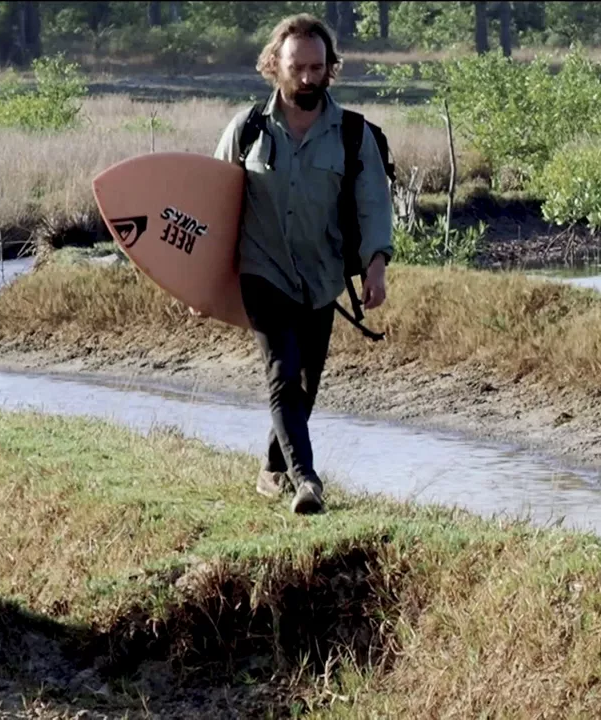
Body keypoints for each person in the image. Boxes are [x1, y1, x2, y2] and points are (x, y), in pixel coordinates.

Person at [209, 13, 394, 515]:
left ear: (331, 67)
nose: (308, 78)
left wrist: (376, 266)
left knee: (307, 383)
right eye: (298, 68)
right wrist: (200, 285)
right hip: (262, 269)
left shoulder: (352, 134)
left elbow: (373, 205)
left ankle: (273, 467)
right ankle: (307, 481)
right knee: (283, 375)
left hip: (321, 275)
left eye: (317, 67)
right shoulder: (247, 128)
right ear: (274, 65)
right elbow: (213, 207)